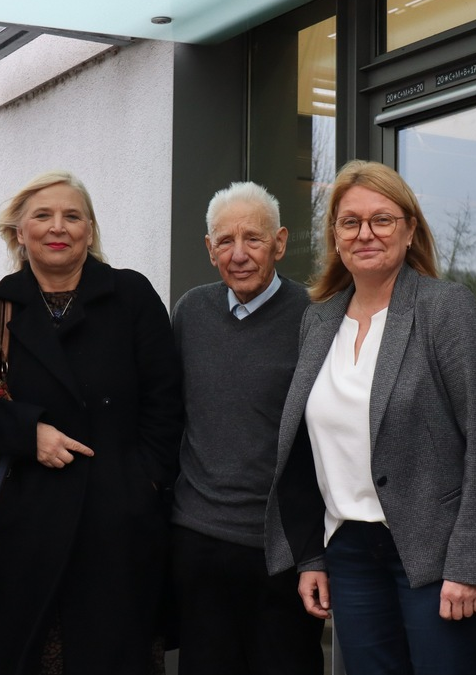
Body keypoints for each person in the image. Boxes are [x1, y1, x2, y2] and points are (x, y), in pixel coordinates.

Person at [265, 160, 476, 675]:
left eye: (382, 220)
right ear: (335, 236)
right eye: (350, 222)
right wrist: (313, 555)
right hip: (349, 549)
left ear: (410, 230)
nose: (366, 233)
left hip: (436, 551)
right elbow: (305, 448)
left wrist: (470, 564)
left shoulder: (444, 308)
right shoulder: (318, 321)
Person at [0, 170, 182, 675]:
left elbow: (166, 403)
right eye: (43, 216)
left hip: (115, 526)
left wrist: (141, 484)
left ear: (90, 230)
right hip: (22, 526)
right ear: (19, 232)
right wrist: (26, 432)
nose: (59, 227)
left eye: (72, 216)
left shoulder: (131, 296)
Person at [170, 182, 322, 675]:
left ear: (279, 243)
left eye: (253, 239)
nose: (238, 254)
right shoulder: (190, 312)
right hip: (198, 541)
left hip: (280, 546)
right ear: (208, 248)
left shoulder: (315, 318)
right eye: (224, 241)